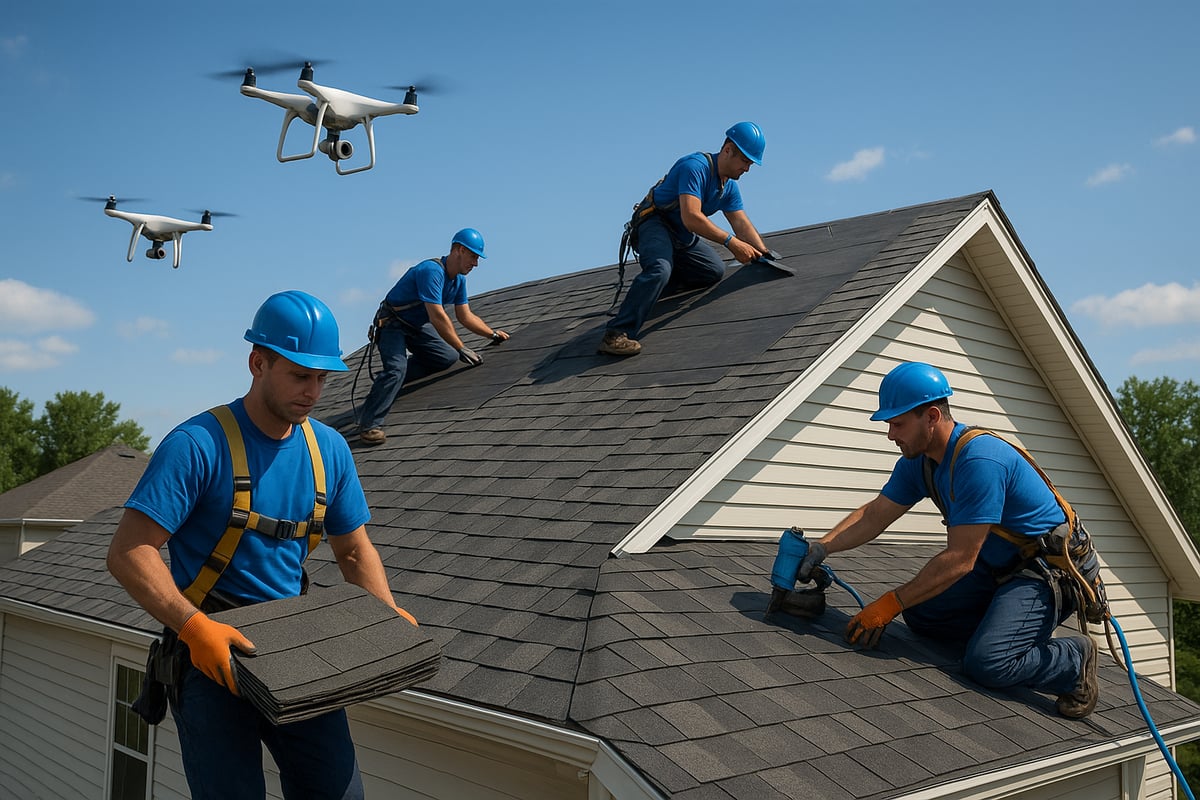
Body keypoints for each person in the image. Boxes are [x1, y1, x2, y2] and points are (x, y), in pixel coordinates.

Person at [107, 290, 415, 800]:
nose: (314, 392)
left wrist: (386, 617)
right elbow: (129, 552)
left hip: (296, 650)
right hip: (211, 654)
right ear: (257, 363)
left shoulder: (329, 451)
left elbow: (355, 552)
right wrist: (193, 627)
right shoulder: (197, 445)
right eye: (299, 375)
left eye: (322, 378)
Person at [795, 361, 1100, 719]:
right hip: (995, 567)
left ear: (932, 417)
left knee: (988, 664)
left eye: (897, 424)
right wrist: (822, 546)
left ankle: (1072, 660)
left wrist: (889, 603)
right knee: (923, 614)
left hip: (1042, 574)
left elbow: (960, 560)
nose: (891, 435)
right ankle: (998, 630)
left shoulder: (979, 460)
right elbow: (876, 514)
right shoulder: (920, 461)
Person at [599, 121, 771, 357]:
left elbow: (740, 223)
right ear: (728, 149)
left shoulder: (728, 187)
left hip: (680, 235)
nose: (747, 169)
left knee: (713, 271)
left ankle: (654, 289)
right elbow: (691, 217)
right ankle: (616, 334)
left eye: (751, 164)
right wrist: (732, 243)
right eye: (745, 161)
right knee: (659, 268)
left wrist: (764, 254)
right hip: (655, 224)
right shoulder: (695, 167)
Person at [357, 227, 509, 445]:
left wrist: (492, 334)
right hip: (392, 324)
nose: (475, 263)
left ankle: (393, 382)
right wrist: (461, 347)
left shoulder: (458, 281)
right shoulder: (432, 271)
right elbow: (437, 316)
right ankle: (369, 424)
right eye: (474, 256)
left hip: (416, 325)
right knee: (396, 369)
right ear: (458, 250)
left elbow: (465, 315)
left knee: (446, 357)